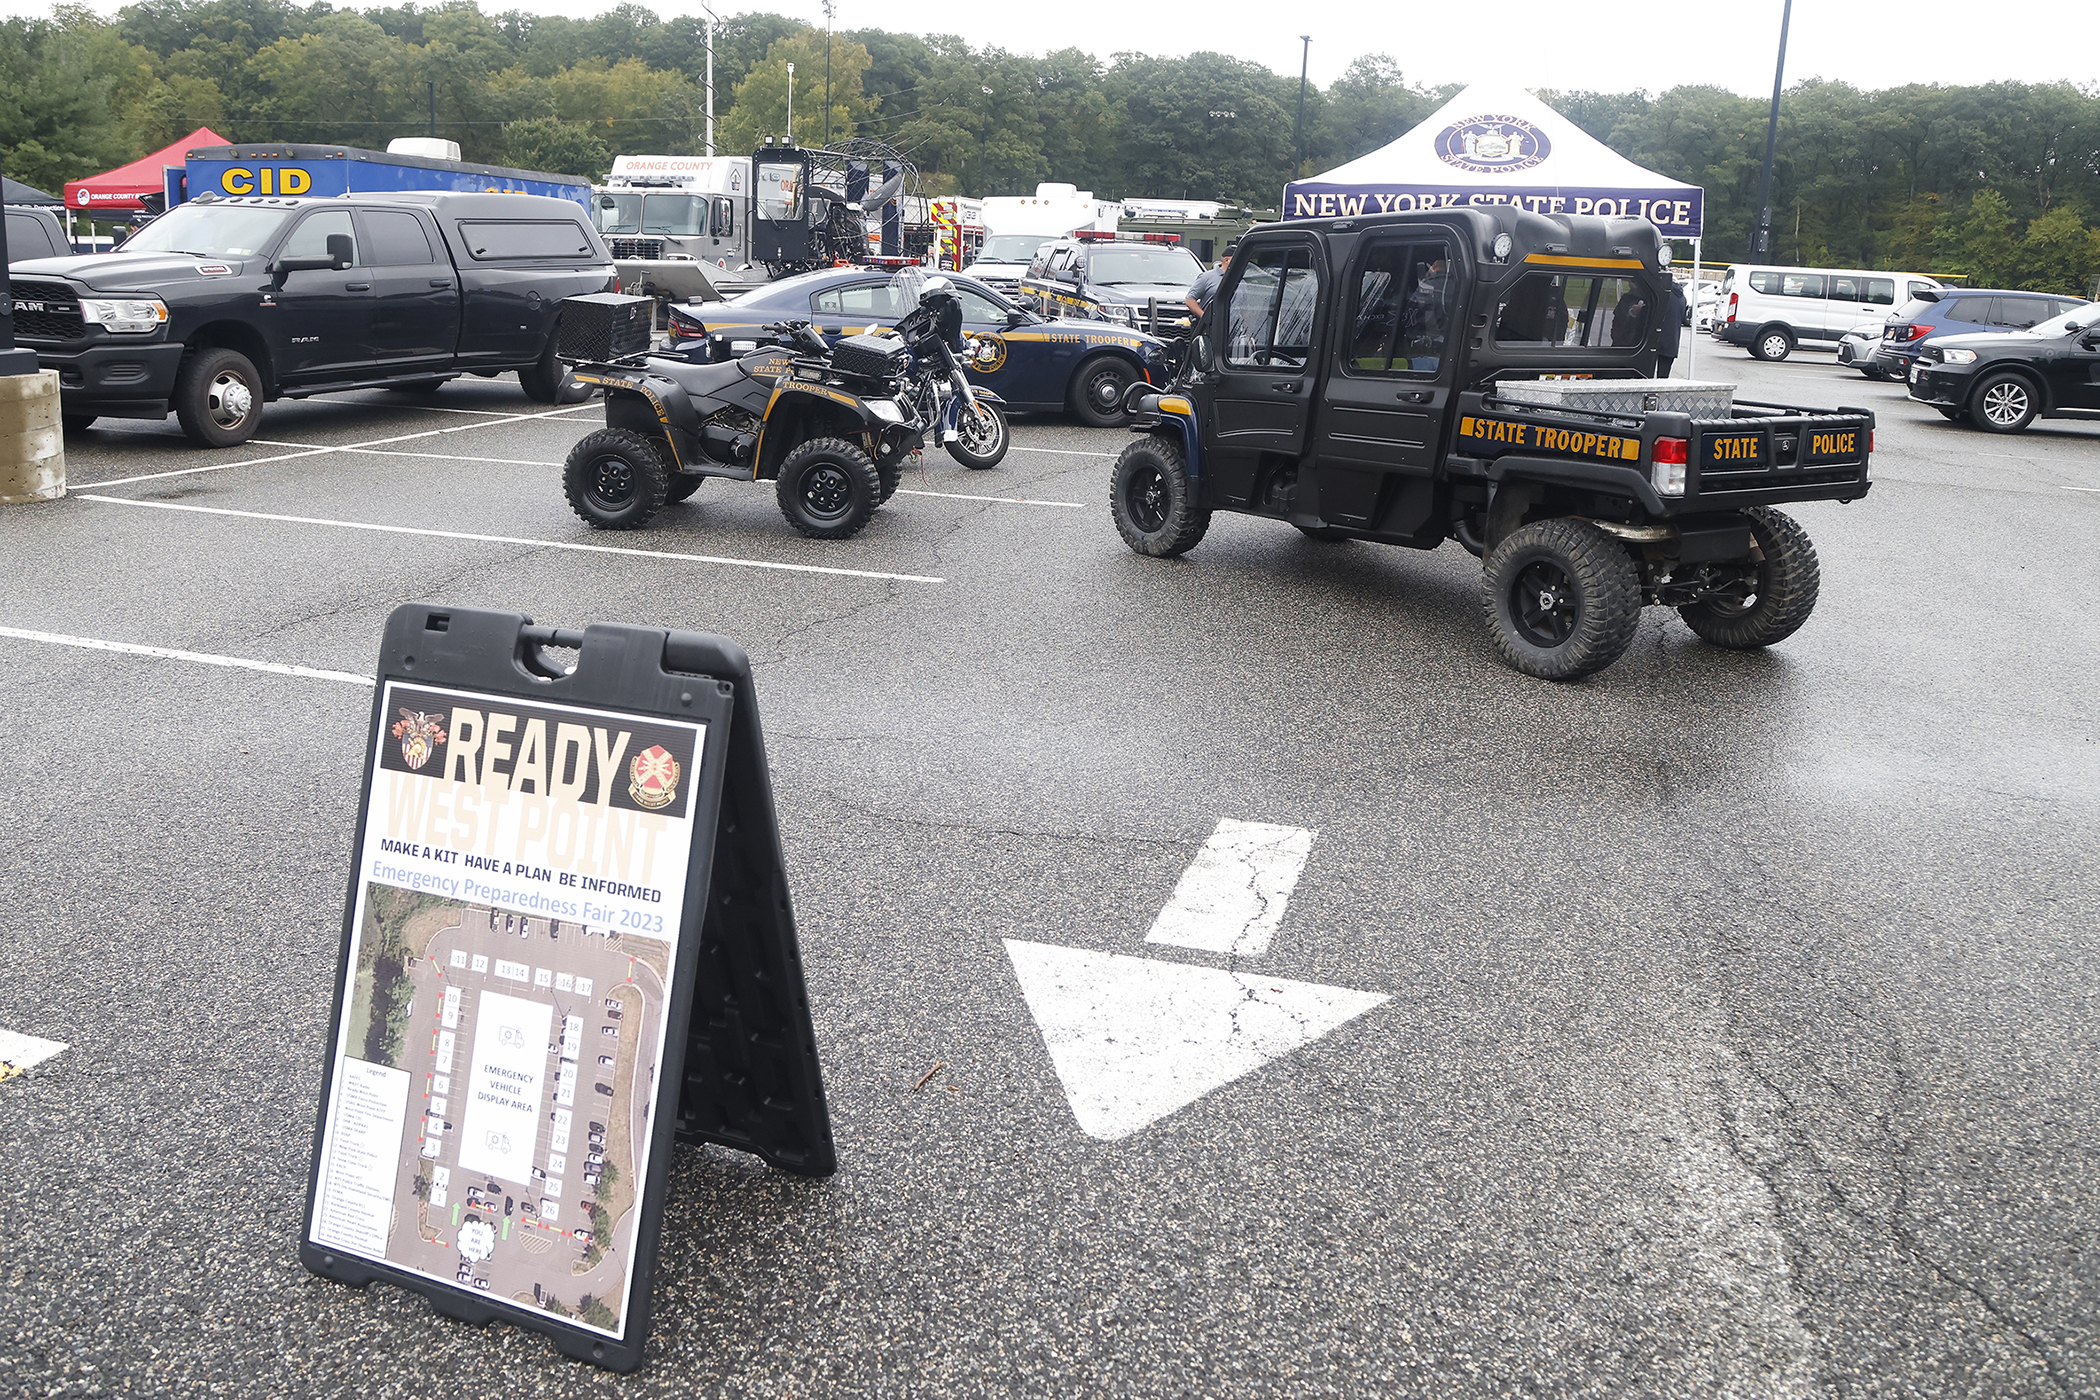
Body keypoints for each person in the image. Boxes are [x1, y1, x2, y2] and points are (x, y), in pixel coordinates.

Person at [1184, 241, 1238, 318]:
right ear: (1226, 260)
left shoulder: (1241, 279)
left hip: (1235, 326)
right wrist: (1205, 318)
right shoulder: (1206, 277)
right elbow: (1189, 300)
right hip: (1211, 328)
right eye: (1237, 259)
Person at [1656, 279, 1689, 377]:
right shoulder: (1682, 298)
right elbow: (1683, 319)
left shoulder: (1664, 295)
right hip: (1672, 341)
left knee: (1647, 377)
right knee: (1663, 375)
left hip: (1657, 338)